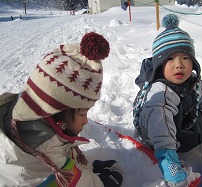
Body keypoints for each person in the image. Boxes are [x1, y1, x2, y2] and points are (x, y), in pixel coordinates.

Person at [133, 14, 202, 187]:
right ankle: (168, 156)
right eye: (170, 59)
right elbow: (160, 125)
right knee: (167, 117)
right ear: (159, 65)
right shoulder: (160, 92)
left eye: (185, 58)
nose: (179, 64)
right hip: (156, 134)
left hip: (180, 123)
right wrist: (167, 158)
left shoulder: (193, 82)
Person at [0, 32, 123, 187]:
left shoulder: (32, 114)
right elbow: (76, 182)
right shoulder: (44, 149)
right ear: (57, 111)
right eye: (83, 113)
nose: (86, 121)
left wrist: (87, 167)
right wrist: (101, 183)